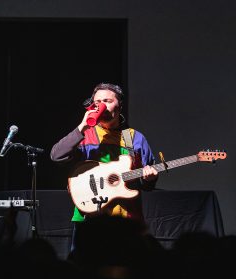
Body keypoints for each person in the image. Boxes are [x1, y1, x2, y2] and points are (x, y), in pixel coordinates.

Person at [50, 83, 158, 250]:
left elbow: (146, 184)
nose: (102, 105)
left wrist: (150, 178)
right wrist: (82, 127)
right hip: (89, 218)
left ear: (119, 105)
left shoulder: (134, 138)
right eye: (97, 101)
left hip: (127, 220)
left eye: (107, 100)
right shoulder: (85, 135)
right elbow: (57, 156)